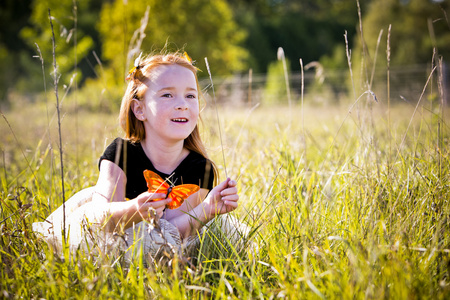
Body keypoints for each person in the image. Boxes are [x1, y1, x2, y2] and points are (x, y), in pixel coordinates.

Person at [33, 51, 242, 263]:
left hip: (164, 247)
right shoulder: (121, 153)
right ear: (139, 109)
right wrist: (134, 210)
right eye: (167, 95)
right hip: (116, 233)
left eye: (190, 95)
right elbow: (98, 218)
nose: (182, 104)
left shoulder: (200, 167)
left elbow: (173, 234)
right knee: (87, 214)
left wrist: (206, 210)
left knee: (225, 234)